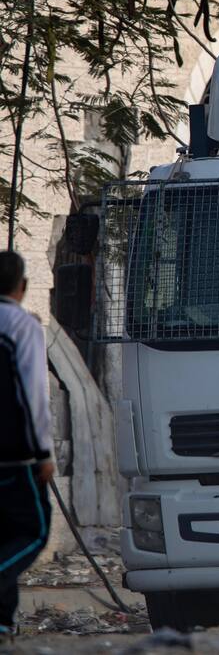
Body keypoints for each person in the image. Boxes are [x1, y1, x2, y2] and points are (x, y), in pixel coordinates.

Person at [0, 252, 53, 642]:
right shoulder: (22, 326)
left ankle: (2, 623)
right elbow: (33, 393)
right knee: (34, 532)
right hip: (13, 457)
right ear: (22, 287)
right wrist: (44, 452)